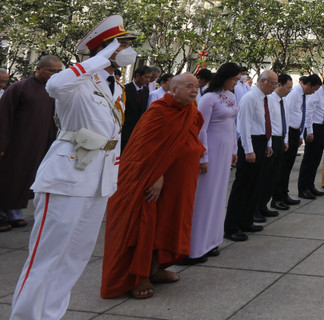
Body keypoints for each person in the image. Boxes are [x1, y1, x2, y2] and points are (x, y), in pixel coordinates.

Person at [10, 15, 136, 320]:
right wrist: (101, 57)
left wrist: (113, 177)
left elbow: (112, 137)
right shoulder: (77, 80)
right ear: (105, 50)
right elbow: (54, 84)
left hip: (98, 181)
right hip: (67, 177)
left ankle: (50, 314)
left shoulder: (115, 87)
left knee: (74, 257)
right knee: (47, 256)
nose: (129, 50)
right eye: (123, 45)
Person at [100, 74, 205, 300]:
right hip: (152, 181)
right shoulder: (158, 111)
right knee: (146, 224)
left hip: (180, 182)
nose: (195, 90)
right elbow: (141, 150)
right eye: (189, 86)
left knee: (171, 222)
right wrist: (155, 176)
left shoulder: (191, 112)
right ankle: (138, 276)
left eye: (196, 86)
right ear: (173, 90)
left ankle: (155, 268)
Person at [0, 55, 62, 231]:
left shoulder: (53, 91)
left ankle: (14, 215)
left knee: (25, 180)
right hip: (16, 144)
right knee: (9, 179)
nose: (55, 75)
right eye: (51, 71)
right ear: (38, 69)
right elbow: (4, 117)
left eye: (59, 71)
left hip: (38, 143)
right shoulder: (19, 88)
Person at [188, 62, 242, 264]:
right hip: (211, 153)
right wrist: (203, 157)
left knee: (218, 198)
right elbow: (200, 129)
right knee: (204, 198)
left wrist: (235, 150)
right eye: (233, 79)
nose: (236, 82)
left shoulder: (231, 96)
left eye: (238, 80)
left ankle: (211, 241)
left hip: (226, 152)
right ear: (224, 77)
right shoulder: (208, 98)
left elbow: (233, 124)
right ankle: (196, 245)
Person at [223, 71, 278, 241]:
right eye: (273, 83)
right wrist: (248, 150)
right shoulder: (250, 98)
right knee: (243, 185)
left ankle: (246, 220)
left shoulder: (264, 98)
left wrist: (268, 144)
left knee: (255, 184)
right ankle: (231, 226)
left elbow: (265, 123)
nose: (274, 87)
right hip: (250, 142)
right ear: (262, 81)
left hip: (261, 141)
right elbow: (244, 126)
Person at [273, 74, 321, 209]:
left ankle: (284, 194)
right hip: (288, 132)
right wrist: (287, 138)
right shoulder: (294, 94)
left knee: (288, 166)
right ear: (309, 84)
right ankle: (277, 197)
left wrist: (300, 134)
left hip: (295, 133)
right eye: (314, 89)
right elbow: (286, 116)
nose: (313, 92)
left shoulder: (303, 95)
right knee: (282, 167)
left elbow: (300, 115)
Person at [297, 73, 324, 199]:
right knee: (309, 160)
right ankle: (303, 188)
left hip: (322, 128)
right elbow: (309, 113)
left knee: (316, 160)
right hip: (313, 128)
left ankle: (311, 185)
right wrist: (309, 131)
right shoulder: (315, 94)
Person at [260, 73, 290, 217]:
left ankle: (265, 204)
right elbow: (268, 123)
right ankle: (258, 206)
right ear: (279, 85)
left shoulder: (283, 100)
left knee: (274, 175)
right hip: (271, 140)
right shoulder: (270, 100)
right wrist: (269, 143)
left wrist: (285, 140)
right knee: (266, 176)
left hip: (280, 139)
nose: (289, 91)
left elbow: (286, 121)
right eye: (287, 88)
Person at [122, 65, 153, 151]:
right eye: (146, 77)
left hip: (138, 129)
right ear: (138, 75)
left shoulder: (146, 91)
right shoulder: (125, 89)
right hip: (125, 129)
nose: (148, 80)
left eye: (150, 77)